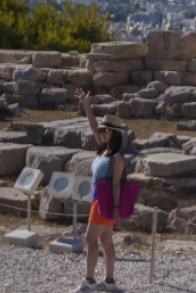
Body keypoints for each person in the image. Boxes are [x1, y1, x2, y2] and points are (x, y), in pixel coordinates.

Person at [70, 89, 126, 293]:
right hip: (100, 201)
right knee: (106, 241)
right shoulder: (104, 149)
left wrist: (117, 209)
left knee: (90, 240)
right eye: (103, 130)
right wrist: (86, 104)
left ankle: (90, 281)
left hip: (104, 203)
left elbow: (116, 184)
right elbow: (93, 125)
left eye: (106, 130)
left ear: (115, 133)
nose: (102, 133)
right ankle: (109, 282)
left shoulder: (117, 157)